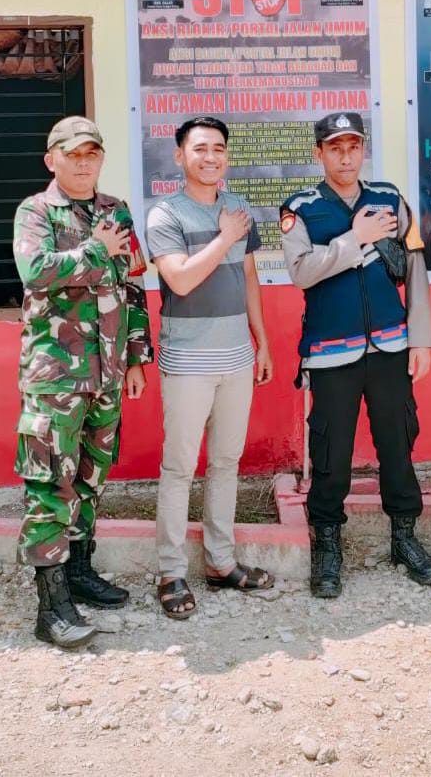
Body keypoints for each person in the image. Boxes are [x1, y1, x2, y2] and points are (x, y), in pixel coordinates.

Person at [280, 112, 431, 598]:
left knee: (398, 442)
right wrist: (356, 238)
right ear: (319, 154)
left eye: (353, 146)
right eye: (335, 148)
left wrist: (421, 336)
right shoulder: (301, 207)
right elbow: (301, 272)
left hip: (391, 346)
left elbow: (414, 265)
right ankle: (328, 545)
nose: (346, 157)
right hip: (332, 354)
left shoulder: (389, 198)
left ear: (363, 150)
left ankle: (404, 538)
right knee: (331, 452)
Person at [12, 116, 154, 648]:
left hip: (108, 373)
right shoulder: (36, 211)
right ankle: (50, 608)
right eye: (72, 154)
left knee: (92, 475)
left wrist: (136, 358)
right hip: (56, 376)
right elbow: (36, 271)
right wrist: (95, 249)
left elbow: (133, 286)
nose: (82, 163)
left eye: (91, 154)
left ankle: (78, 571)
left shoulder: (116, 210)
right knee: (51, 482)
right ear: (51, 159)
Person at [145, 116, 276, 620]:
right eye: (200, 148)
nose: (210, 156)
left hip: (237, 358)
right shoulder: (165, 214)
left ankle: (221, 562)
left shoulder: (239, 209)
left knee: (226, 463)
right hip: (187, 361)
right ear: (180, 156)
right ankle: (170, 572)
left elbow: (249, 277)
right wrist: (223, 238)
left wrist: (262, 342)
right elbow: (179, 280)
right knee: (179, 467)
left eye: (218, 148)